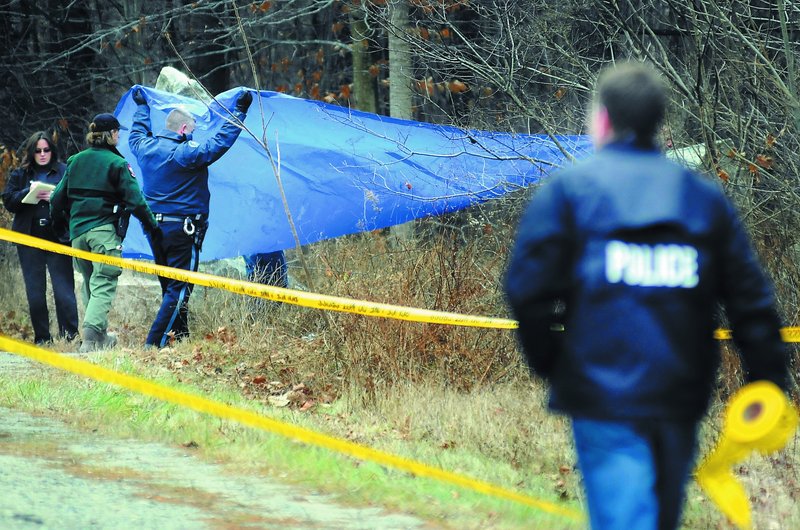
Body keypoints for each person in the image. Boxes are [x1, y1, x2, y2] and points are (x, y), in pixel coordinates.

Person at [504, 62, 791, 530]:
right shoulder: (703, 199)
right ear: (660, 124)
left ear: (602, 120)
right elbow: (751, 303)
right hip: (679, 391)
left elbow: (526, 290)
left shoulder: (569, 193)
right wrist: (769, 380)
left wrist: (553, 364)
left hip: (602, 392)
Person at [128, 86, 252, 348]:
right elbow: (218, 143)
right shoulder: (185, 153)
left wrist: (142, 107)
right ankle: (153, 345)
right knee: (179, 287)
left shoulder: (144, 147)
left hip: (153, 228)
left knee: (169, 285)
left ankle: (179, 338)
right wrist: (239, 112)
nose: (194, 133)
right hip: (182, 230)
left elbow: (137, 131)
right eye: (193, 129)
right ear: (183, 129)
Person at [50, 113, 159, 353]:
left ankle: (100, 337)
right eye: (117, 132)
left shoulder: (75, 160)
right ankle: (89, 340)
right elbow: (136, 201)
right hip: (103, 233)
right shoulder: (117, 163)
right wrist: (153, 226)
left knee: (90, 283)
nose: (119, 136)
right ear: (110, 134)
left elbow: (56, 199)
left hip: (78, 235)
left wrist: (62, 226)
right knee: (104, 282)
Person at [2, 131, 79, 345]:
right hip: (29, 239)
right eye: (38, 151)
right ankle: (43, 338)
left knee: (64, 290)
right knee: (35, 291)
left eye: (46, 150)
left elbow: (75, 199)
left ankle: (70, 337)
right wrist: (29, 192)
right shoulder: (20, 174)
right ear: (31, 152)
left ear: (52, 151)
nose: (42, 154)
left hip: (58, 237)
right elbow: (8, 200)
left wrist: (55, 197)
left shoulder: (63, 171)